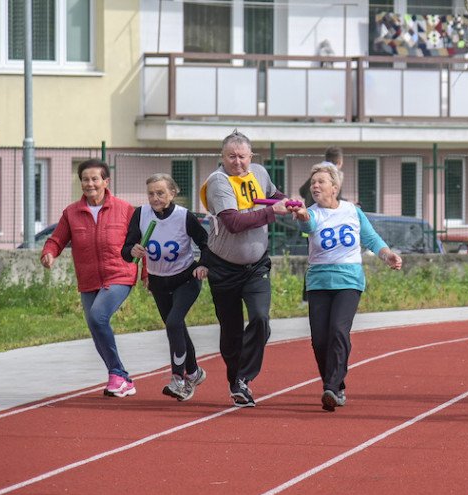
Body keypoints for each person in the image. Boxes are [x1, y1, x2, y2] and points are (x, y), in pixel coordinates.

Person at [290, 163, 403, 411]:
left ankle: (331, 387)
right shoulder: (311, 213)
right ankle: (335, 386)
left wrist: (387, 255)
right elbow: (307, 225)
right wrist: (302, 217)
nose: (316, 186)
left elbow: (372, 238)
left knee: (338, 331)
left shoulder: (352, 211)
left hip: (348, 280)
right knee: (319, 340)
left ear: (335, 187)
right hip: (319, 281)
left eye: (321, 181)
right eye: (313, 183)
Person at [199, 130, 296, 407]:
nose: (238, 162)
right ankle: (236, 381)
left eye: (242, 156)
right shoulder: (219, 182)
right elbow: (233, 222)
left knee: (260, 319)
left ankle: (244, 378)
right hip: (224, 268)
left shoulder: (259, 172)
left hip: (256, 267)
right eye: (231, 156)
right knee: (230, 333)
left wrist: (292, 203)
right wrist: (272, 212)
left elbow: (274, 195)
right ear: (222, 157)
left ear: (251, 156)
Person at [40, 159, 138, 397]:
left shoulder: (125, 209)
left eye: (95, 179)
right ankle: (121, 378)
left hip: (120, 274)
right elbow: (57, 239)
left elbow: (140, 243)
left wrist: (147, 275)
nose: (90, 183)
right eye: (85, 179)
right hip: (88, 279)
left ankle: (116, 373)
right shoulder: (72, 212)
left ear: (106, 181)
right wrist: (49, 253)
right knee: (95, 326)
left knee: (97, 316)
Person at [122, 173, 212, 401]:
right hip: (158, 281)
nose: (155, 198)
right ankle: (194, 372)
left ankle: (178, 379)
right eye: (151, 193)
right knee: (176, 327)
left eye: (160, 193)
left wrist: (202, 265)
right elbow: (127, 248)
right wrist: (132, 250)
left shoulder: (184, 217)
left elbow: (206, 243)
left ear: (172, 193)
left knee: (173, 322)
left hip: (186, 279)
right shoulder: (141, 214)